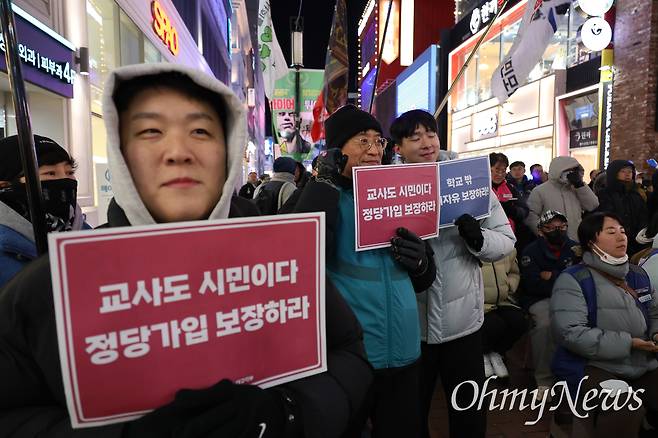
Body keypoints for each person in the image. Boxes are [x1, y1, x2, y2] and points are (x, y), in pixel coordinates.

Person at [0, 63, 372, 437]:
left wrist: (287, 412)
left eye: (200, 131)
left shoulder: (282, 258)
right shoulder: (55, 283)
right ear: (121, 152)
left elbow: (347, 352)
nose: (178, 152)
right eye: (151, 132)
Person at [292, 105, 437, 438]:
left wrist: (421, 262)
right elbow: (301, 259)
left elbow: (425, 279)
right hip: (351, 358)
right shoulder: (319, 196)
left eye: (378, 141)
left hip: (405, 349)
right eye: (362, 141)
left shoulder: (399, 193)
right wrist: (323, 184)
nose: (374, 150)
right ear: (336, 150)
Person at [390, 109, 515, 438]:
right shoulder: (387, 187)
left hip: (464, 325)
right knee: (411, 416)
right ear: (398, 147)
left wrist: (479, 239)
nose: (427, 143)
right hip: (411, 329)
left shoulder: (470, 180)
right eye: (415, 138)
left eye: (431, 134)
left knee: (468, 415)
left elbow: (506, 240)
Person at [551, 212, 658, 436]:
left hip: (641, 362)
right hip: (591, 366)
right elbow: (571, 333)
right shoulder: (574, 278)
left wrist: (655, 334)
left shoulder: (638, 274)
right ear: (591, 242)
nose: (621, 237)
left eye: (622, 231)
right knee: (624, 407)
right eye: (611, 232)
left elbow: (654, 313)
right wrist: (629, 343)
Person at [0, 134, 88, 287]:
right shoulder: (5, 249)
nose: (65, 180)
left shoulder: (84, 231)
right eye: (50, 173)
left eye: (69, 172)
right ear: (5, 186)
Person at [519, 210, 580, 393]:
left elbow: (579, 279)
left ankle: (576, 375)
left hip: (571, 297)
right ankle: (544, 379)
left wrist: (551, 276)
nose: (557, 231)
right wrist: (563, 279)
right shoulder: (530, 251)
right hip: (539, 298)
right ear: (541, 231)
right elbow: (533, 285)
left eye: (561, 227)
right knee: (545, 325)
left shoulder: (576, 249)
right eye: (551, 228)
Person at [525, 156, 599, 242]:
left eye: (574, 170)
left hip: (576, 239)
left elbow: (592, 206)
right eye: (567, 170)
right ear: (557, 171)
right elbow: (531, 215)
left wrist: (580, 185)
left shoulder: (577, 188)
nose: (571, 173)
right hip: (551, 241)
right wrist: (542, 233)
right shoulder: (540, 191)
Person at [480, 248, 528, 380]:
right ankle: (483, 354)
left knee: (519, 322)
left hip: (503, 300)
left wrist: (509, 286)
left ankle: (497, 353)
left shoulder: (506, 246)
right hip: (479, 303)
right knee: (494, 324)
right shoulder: (472, 247)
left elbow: (514, 272)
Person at [596, 160, 649, 256]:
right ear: (614, 173)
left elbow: (643, 215)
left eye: (630, 171)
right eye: (623, 171)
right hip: (614, 239)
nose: (627, 174)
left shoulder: (635, 194)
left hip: (636, 241)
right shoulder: (605, 194)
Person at [490, 153, 533, 253]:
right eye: (497, 170)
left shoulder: (510, 188)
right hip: (490, 239)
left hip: (512, 238)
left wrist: (513, 211)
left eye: (503, 170)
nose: (500, 174)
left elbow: (524, 210)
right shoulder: (481, 189)